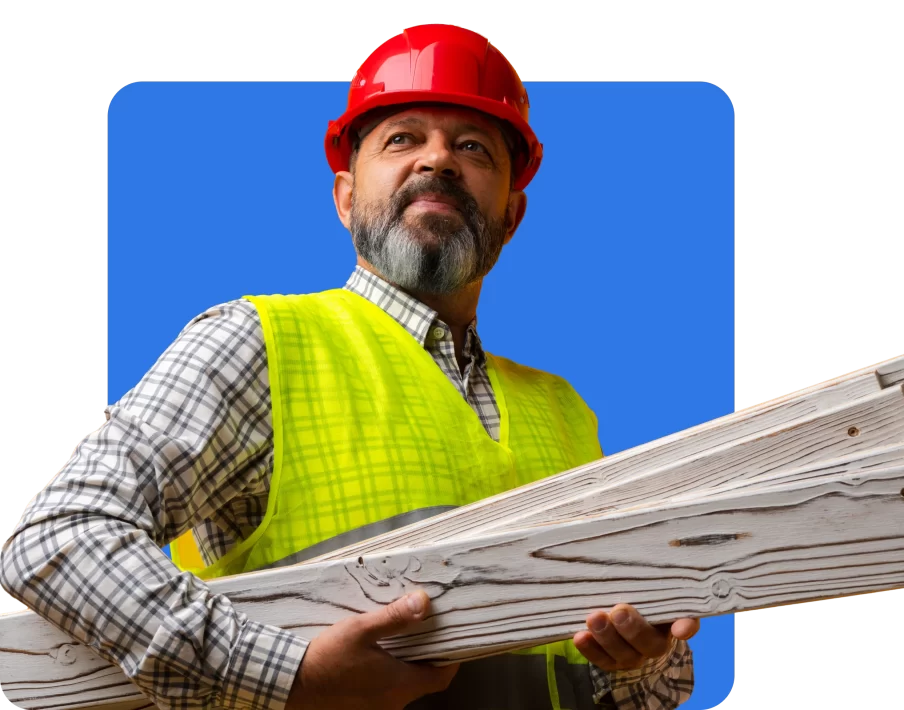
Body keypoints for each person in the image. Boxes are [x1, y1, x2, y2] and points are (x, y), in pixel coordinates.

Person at [0, 23, 699, 710]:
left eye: (473, 147)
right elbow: (57, 539)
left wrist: (643, 664)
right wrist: (289, 675)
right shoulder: (259, 343)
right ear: (344, 199)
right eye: (402, 139)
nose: (438, 162)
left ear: (511, 216)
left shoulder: (565, 409)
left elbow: (646, 686)